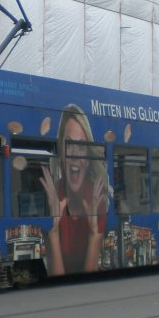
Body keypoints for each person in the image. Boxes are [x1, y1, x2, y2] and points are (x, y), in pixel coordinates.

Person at [39, 104, 108, 275]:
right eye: (69, 145)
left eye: (82, 145)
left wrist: (94, 235)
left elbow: (89, 281)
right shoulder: (52, 197)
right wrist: (53, 233)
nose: (76, 155)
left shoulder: (98, 199)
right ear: (61, 152)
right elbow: (58, 281)